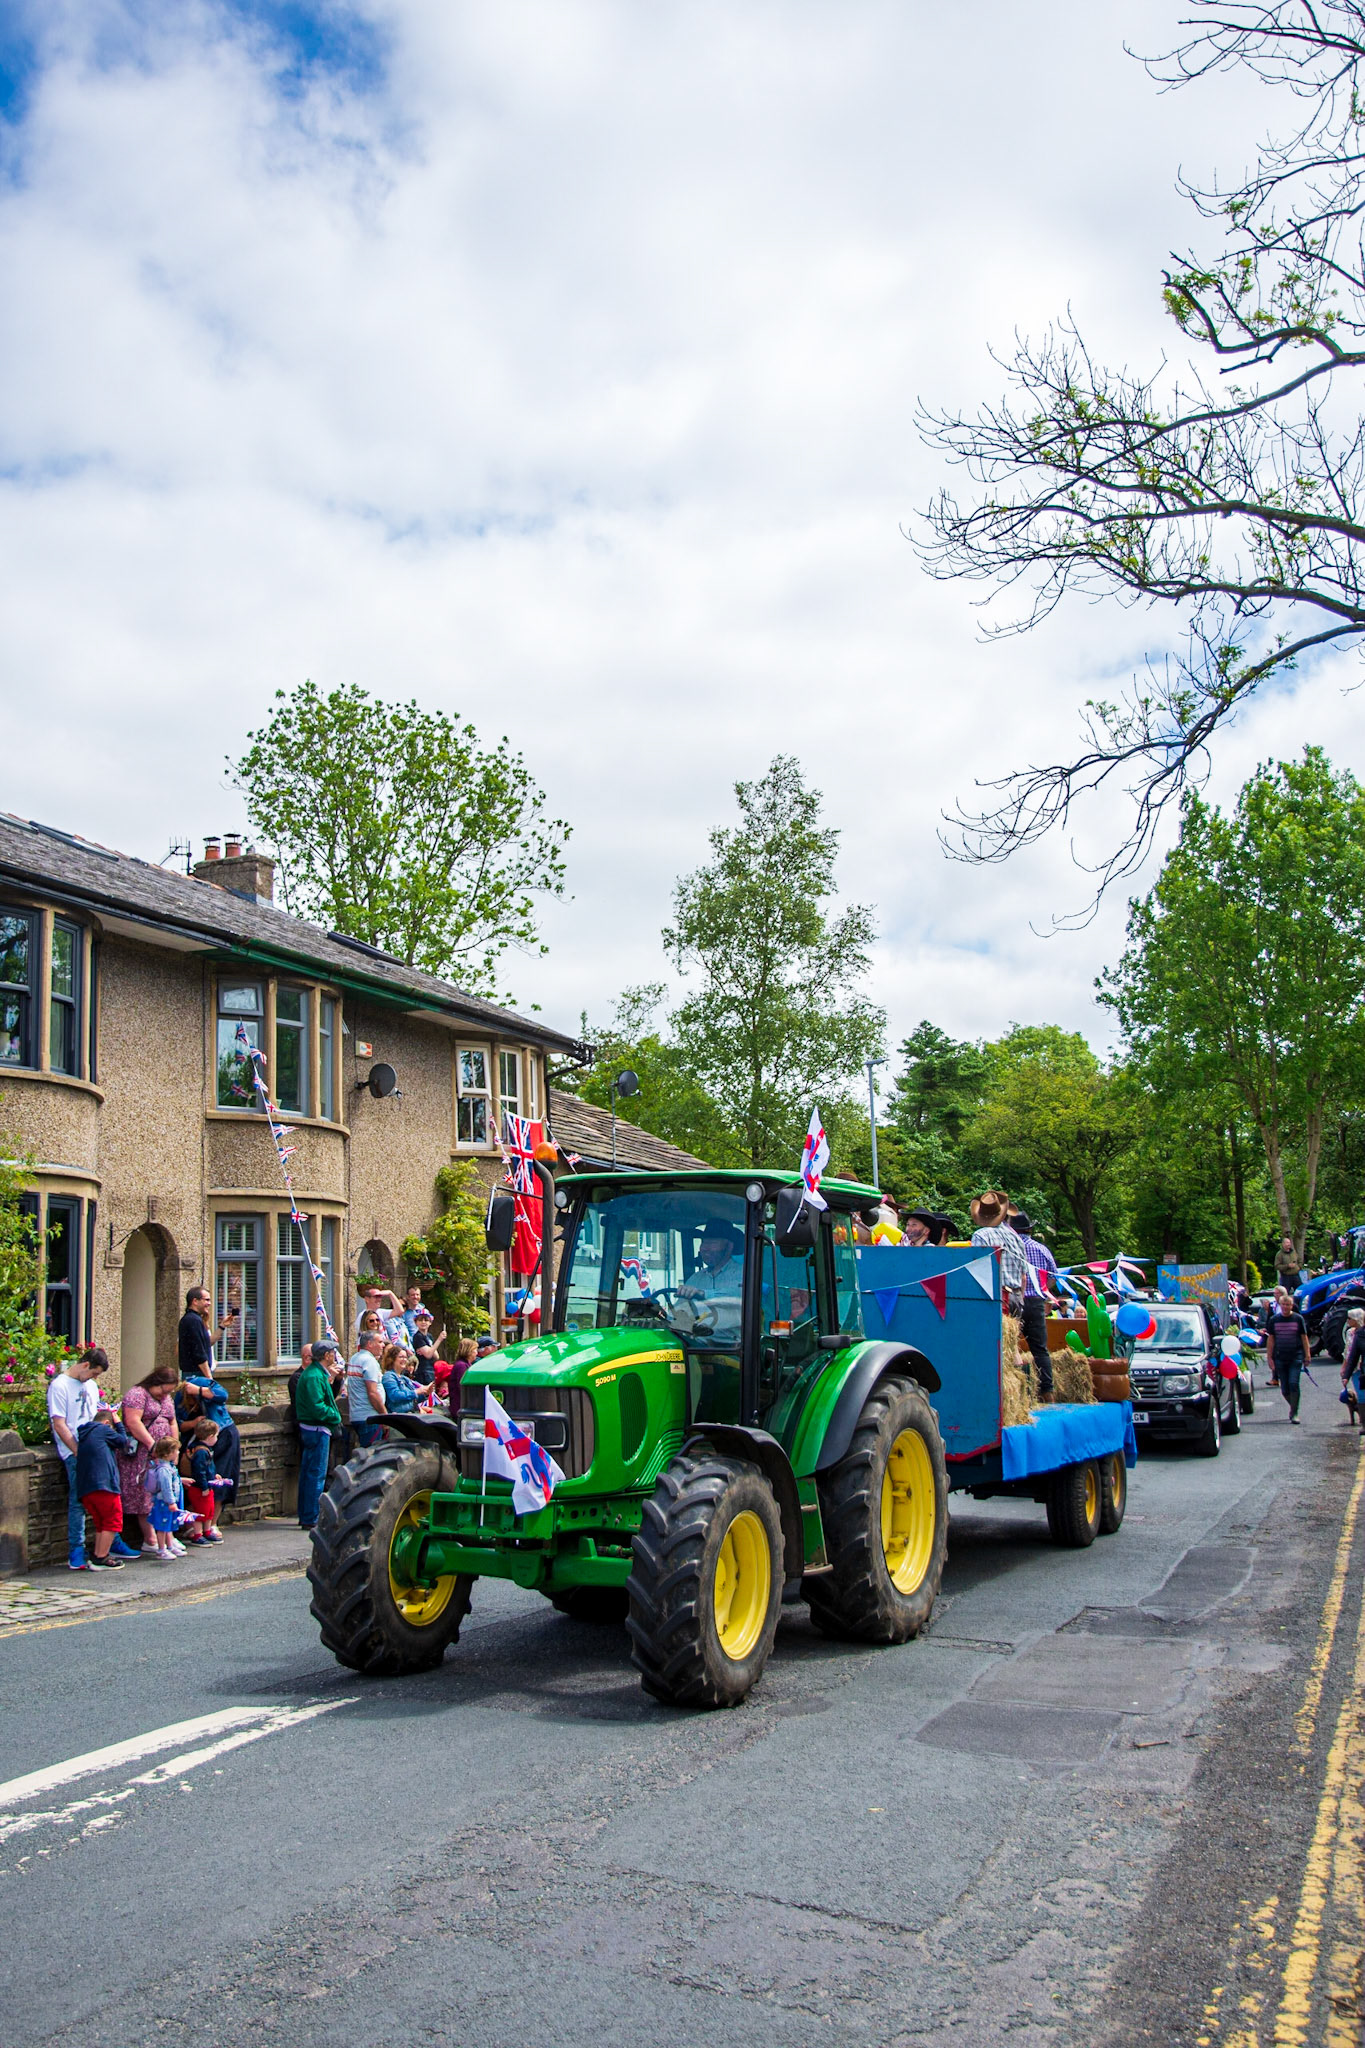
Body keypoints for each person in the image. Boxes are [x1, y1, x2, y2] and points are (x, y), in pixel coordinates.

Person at [47, 1346, 135, 1569]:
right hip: (75, 1451)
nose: (95, 1378)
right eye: (94, 1373)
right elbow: (60, 1423)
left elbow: (96, 1416)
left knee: (106, 1497)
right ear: (85, 1365)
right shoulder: (59, 1386)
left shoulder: (92, 1386)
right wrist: (78, 1451)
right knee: (79, 1500)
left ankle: (111, 1542)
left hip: (98, 1449)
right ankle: (76, 1549)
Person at [120, 1365, 182, 1555]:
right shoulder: (137, 1394)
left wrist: (174, 1448)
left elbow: (172, 1421)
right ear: (156, 1382)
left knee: (165, 1494)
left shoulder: (166, 1398)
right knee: (144, 1496)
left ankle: (168, 1538)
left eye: (169, 1392)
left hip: (164, 1455)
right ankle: (151, 1538)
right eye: (164, 1391)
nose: (165, 1395)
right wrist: (152, 1445)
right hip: (142, 1455)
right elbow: (132, 1422)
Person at [74, 1399, 136, 1569]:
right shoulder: (102, 1429)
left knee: (101, 1522)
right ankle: (101, 1557)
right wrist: (119, 1423)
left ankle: (98, 1555)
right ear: (107, 1423)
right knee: (112, 1521)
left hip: (87, 1488)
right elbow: (123, 1441)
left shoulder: (86, 1434)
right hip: (104, 1485)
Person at [176, 1346, 240, 1506]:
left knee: (220, 1477)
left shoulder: (202, 1384)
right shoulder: (179, 1399)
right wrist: (194, 1423)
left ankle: (211, 1522)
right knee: (198, 1479)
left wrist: (199, 1391)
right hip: (197, 1442)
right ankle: (197, 1523)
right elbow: (180, 1424)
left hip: (222, 1434)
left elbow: (223, 1395)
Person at [294, 1340, 345, 1529]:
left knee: (309, 1474)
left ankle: (307, 1515)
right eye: (332, 1352)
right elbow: (317, 1407)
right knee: (316, 1475)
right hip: (317, 1429)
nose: (334, 1355)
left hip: (312, 1428)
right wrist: (335, 1416)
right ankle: (311, 1517)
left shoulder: (315, 1374)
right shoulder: (315, 1376)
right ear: (326, 1355)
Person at [1008, 1212, 1058, 1402]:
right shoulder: (1042, 1249)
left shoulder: (1010, 1246)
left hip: (1014, 1299)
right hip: (1036, 1302)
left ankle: (1019, 1393)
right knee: (1039, 1348)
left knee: (1012, 1347)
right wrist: (1042, 1289)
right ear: (1029, 1229)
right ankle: (1047, 1391)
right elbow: (1053, 1277)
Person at [679, 1219, 745, 1332]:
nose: (705, 1248)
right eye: (704, 1242)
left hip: (732, 1344)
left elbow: (738, 1296)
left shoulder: (743, 1274)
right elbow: (680, 1314)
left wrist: (703, 1294)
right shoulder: (696, 1279)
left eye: (712, 1243)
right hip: (697, 1343)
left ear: (729, 1246)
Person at [970, 1191, 1029, 1307]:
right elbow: (1024, 1276)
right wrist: (1020, 1299)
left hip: (995, 1296)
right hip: (1016, 1296)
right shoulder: (1016, 1238)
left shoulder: (981, 1235)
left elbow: (978, 1270)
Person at [146, 1439, 200, 1557]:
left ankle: (170, 1546)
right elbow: (166, 1487)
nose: (178, 1453)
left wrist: (182, 1480)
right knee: (163, 1526)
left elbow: (172, 1481)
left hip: (168, 1502)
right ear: (167, 1453)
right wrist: (171, 1502)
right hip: (164, 1503)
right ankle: (161, 1550)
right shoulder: (164, 1470)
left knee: (169, 1525)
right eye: (176, 1450)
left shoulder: (168, 1467)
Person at [1267, 1286, 1311, 1424]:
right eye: (1283, 1304)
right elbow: (1271, 1339)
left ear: (1292, 1305)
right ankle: (1293, 1407)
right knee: (1285, 1388)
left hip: (1296, 1356)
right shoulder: (1274, 1320)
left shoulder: (1298, 1319)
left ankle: (1295, 1412)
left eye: (1288, 1304)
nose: (1285, 1307)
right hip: (1280, 1357)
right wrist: (1269, 1357)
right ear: (1280, 1305)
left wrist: (1307, 1354)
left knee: (1293, 1384)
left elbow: (1304, 1337)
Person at [183, 1419, 228, 1541]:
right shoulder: (201, 1452)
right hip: (200, 1488)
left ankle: (207, 1531)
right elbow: (199, 1471)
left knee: (209, 1511)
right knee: (200, 1512)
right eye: (216, 1436)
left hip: (208, 1485)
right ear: (210, 1436)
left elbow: (208, 1468)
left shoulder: (205, 1449)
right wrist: (204, 1487)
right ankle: (198, 1535)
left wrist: (214, 1475)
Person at [345, 1328, 388, 1447]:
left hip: (357, 1416)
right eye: (380, 1342)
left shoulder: (355, 1358)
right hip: (370, 1418)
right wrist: (385, 1416)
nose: (383, 1345)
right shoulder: (369, 1361)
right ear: (370, 1344)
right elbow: (373, 1393)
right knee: (372, 1456)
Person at [379, 1343, 420, 1415]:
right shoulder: (388, 1377)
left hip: (409, 1415)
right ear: (392, 1359)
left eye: (406, 1357)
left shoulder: (405, 1379)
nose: (404, 1360)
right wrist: (416, 1392)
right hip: (397, 1418)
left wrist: (425, 1393)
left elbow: (414, 1399)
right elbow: (395, 1396)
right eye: (401, 1357)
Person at [1341, 1308, 1365, 1429]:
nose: (1347, 1320)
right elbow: (1351, 1354)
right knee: (1361, 1395)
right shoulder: (1354, 1333)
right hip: (1359, 1370)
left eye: (1349, 1318)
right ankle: (1364, 1425)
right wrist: (1345, 1373)